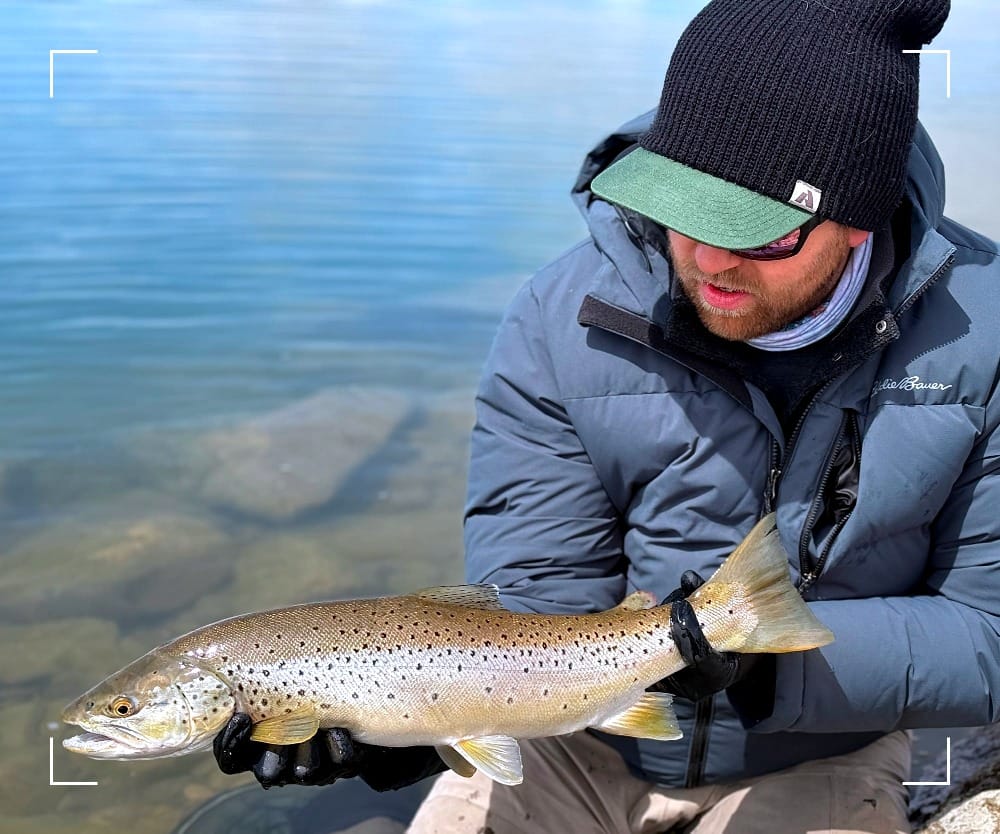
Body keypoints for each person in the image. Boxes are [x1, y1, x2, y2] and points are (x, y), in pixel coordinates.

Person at [214, 0, 1000, 831]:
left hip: (822, 752)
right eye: (683, 210)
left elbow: (989, 633)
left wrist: (770, 671)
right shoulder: (561, 318)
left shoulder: (984, 340)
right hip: (573, 744)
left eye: (759, 234)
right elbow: (538, 597)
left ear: (859, 219)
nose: (709, 260)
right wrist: (410, 718)